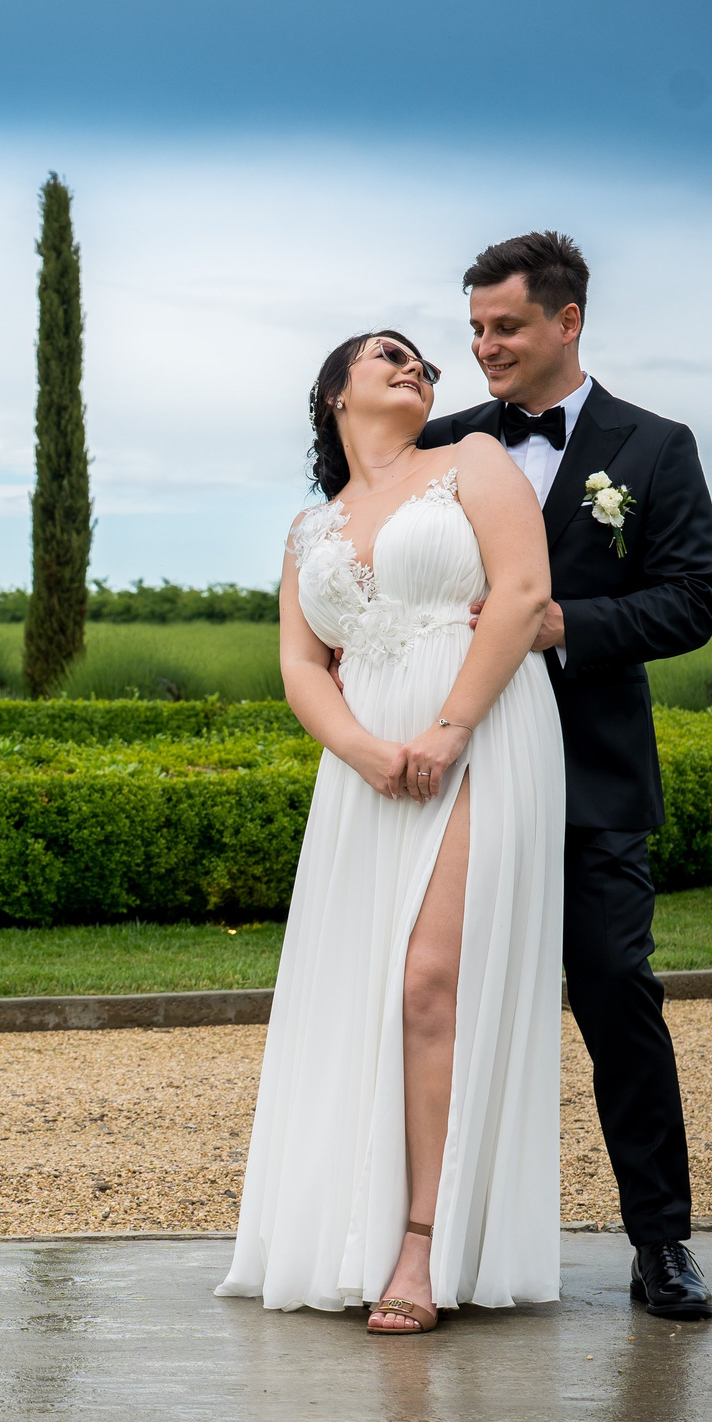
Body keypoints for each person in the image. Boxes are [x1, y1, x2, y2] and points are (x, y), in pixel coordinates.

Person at [215, 325, 566, 1335]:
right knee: (361, 990)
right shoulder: (306, 528)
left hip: (484, 728)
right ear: (335, 394)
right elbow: (297, 665)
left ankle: (423, 1242)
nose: (417, 368)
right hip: (365, 763)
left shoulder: (472, 463)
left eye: (424, 362)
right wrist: (364, 751)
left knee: (428, 982)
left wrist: (450, 726)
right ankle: (342, 1232)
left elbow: (523, 594)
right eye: (389, 356)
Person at [420, 231, 712, 1322]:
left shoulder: (653, 448)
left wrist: (564, 624)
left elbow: (691, 600)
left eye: (504, 328)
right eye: (474, 330)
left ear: (567, 322)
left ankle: (663, 1244)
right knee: (434, 1003)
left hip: (591, 780)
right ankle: (427, 1248)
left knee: (615, 995)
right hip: (460, 774)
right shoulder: (445, 443)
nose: (484, 348)